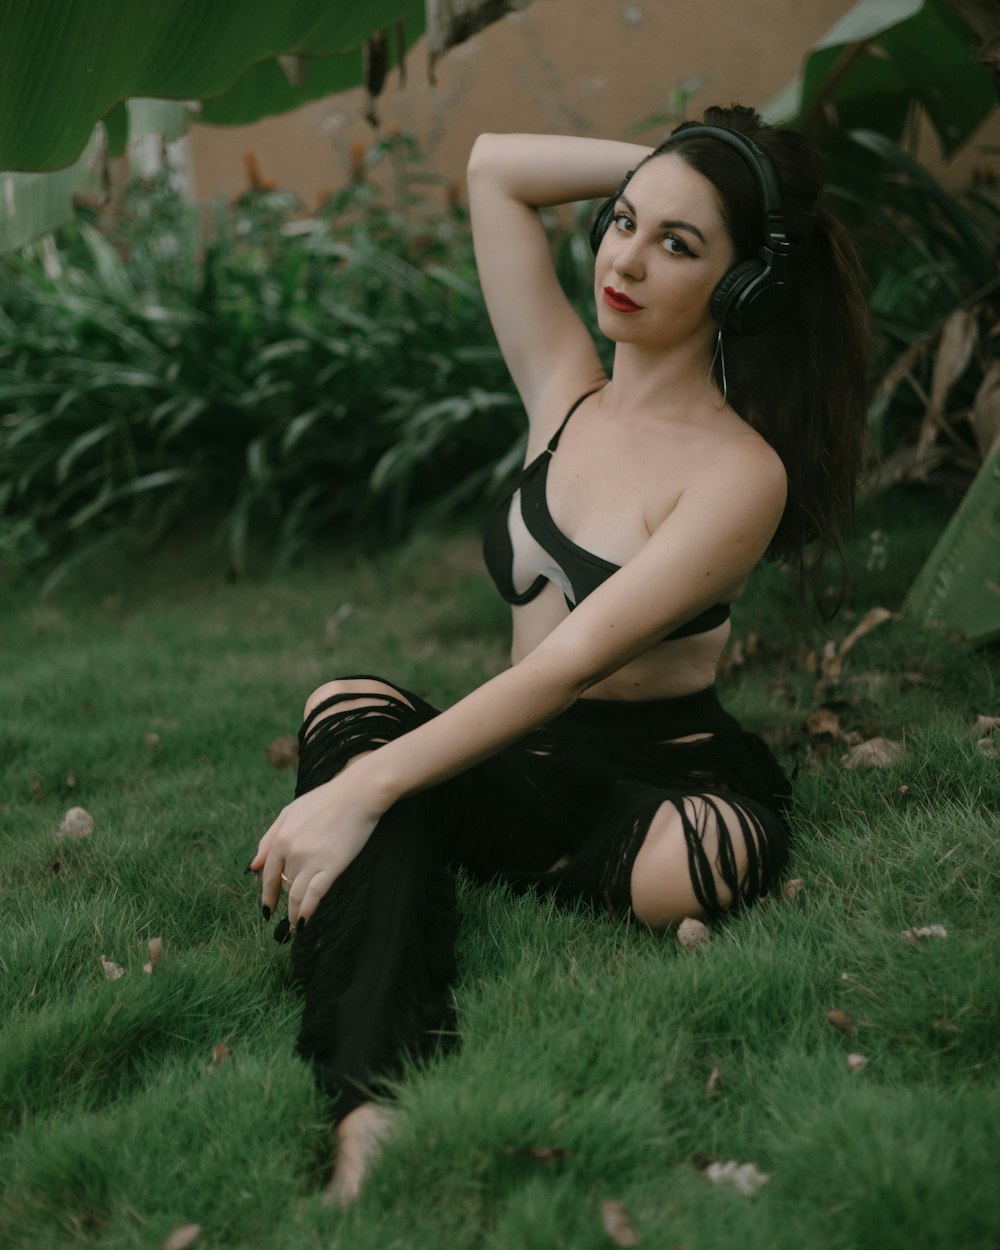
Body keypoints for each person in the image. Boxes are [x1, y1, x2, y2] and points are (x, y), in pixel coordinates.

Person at [247, 103, 869, 1205]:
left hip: (662, 783)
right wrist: (690, 173)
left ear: (742, 287)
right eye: (623, 222)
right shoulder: (562, 388)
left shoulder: (738, 474)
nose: (623, 257)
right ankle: (369, 1098)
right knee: (346, 705)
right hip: (527, 753)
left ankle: (429, 829)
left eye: (677, 243)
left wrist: (367, 789)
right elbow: (492, 166)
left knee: (634, 856)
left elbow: (562, 667)